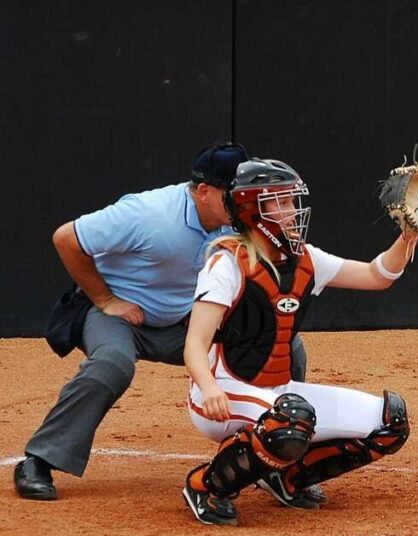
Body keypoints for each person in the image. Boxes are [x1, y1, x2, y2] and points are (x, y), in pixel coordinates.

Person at [13, 143, 313, 501]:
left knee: (286, 345)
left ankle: (275, 456)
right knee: (112, 363)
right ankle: (39, 460)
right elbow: (66, 238)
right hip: (123, 317)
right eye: (233, 193)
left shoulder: (238, 222)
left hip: (184, 321)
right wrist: (107, 300)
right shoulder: (150, 214)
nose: (243, 200)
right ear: (203, 192)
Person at [180, 158, 415, 526]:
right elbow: (195, 343)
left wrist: (407, 237)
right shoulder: (228, 263)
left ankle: (287, 477)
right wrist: (208, 387)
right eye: (282, 202)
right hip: (222, 392)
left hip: (277, 392)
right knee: (291, 419)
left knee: (389, 422)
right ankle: (206, 486)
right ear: (253, 209)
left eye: (293, 201)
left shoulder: (305, 259)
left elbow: (375, 275)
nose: (293, 211)